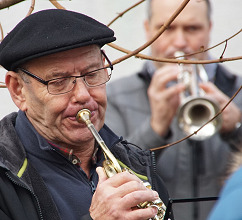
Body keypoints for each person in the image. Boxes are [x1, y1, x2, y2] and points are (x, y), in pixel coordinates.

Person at [0, 9, 173, 220]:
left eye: (92, 74)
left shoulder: (136, 165)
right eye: (58, 81)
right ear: (18, 90)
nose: (83, 95)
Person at [105, 0, 242, 220]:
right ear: (148, 29)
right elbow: (110, 179)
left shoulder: (238, 91)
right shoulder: (113, 98)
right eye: (167, 28)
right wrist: (155, 128)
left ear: (209, 28)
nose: (180, 42)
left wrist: (237, 128)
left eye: (192, 28)